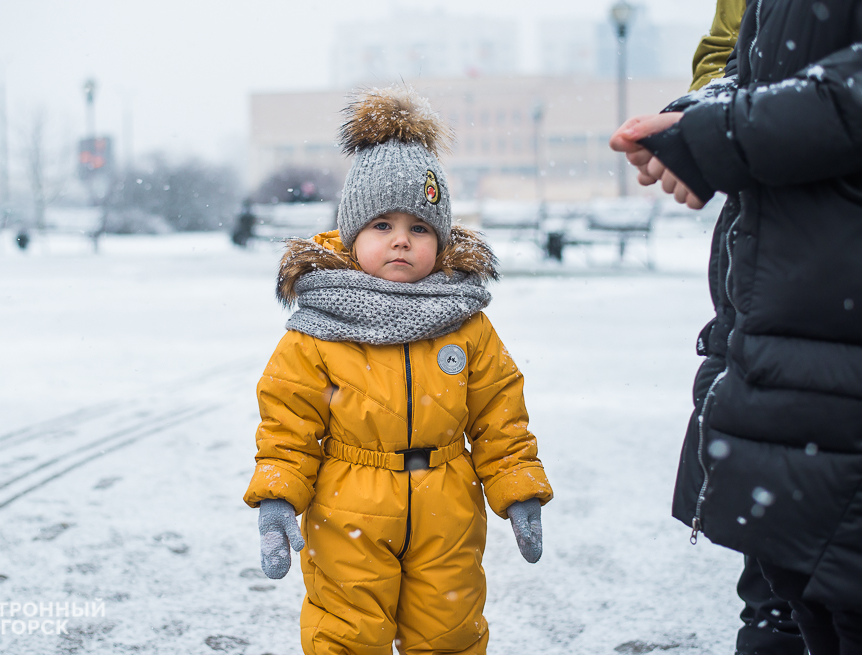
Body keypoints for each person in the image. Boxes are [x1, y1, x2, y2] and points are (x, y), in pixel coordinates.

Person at [243, 87, 553, 655]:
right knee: (345, 634)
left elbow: (499, 417)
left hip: (448, 512)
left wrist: (518, 489)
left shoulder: (466, 324)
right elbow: (287, 424)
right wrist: (278, 497)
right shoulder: (318, 327)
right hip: (346, 511)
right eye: (382, 225)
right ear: (351, 234)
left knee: (449, 634)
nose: (402, 241)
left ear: (441, 238)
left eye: (420, 228)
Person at [611, 0, 862, 652]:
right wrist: (695, 122)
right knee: (797, 599)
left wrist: (718, 135)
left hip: (826, 328)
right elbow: (755, 66)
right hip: (787, 323)